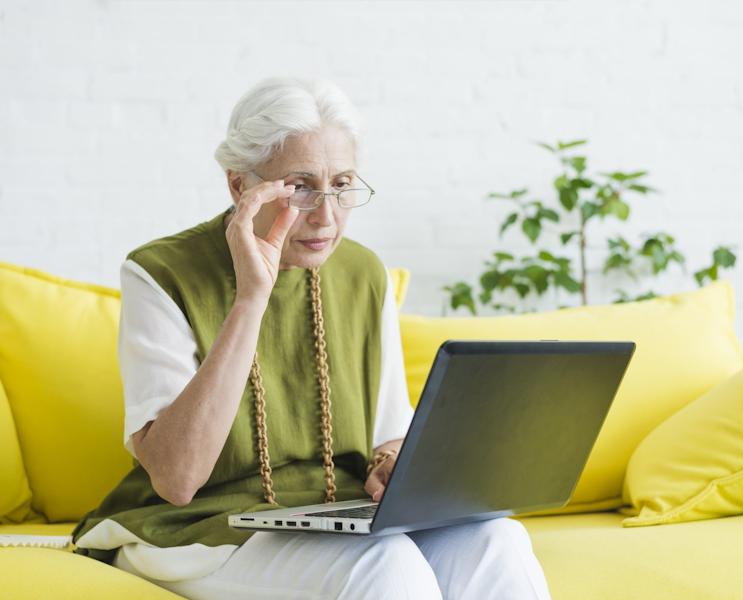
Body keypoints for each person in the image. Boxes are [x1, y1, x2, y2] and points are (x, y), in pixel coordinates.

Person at [71, 76, 552, 600]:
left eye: (343, 184)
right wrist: (251, 297)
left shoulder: (364, 272)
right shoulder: (159, 272)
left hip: (335, 517)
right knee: (383, 565)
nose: (327, 216)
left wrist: (391, 466)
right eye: (300, 187)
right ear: (240, 186)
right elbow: (177, 478)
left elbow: (389, 432)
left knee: (496, 539)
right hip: (201, 530)